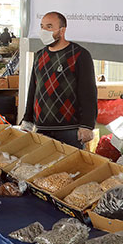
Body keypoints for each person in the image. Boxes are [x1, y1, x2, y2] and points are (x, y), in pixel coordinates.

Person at [21, 12, 97, 149]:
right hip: (42, 128)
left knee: (71, 167)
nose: (44, 31)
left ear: (62, 30)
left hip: (70, 130)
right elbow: (33, 89)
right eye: (42, 27)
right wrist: (27, 119)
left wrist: (87, 125)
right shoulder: (39, 56)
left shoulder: (79, 55)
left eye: (49, 27)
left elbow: (89, 93)